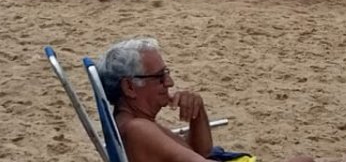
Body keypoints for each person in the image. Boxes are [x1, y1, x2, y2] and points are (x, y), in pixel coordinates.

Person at [98, 37, 314, 162]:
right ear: (129, 87)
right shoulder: (138, 129)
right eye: (160, 77)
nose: (170, 82)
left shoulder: (132, 124)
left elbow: (200, 152)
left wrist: (198, 112)